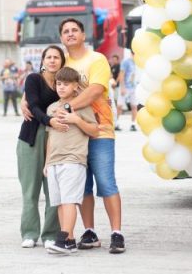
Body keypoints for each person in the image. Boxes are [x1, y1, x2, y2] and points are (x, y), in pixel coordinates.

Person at [25, 18, 125, 253]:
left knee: (106, 182)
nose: (70, 34)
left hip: (99, 129)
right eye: (65, 31)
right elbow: (43, 80)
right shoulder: (61, 61)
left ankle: (117, 233)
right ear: (61, 38)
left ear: (82, 34)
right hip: (71, 136)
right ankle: (89, 232)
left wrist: (69, 109)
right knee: (83, 187)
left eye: (74, 30)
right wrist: (24, 99)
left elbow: (95, 90)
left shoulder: (96, 59)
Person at [44, 66, 99, 255]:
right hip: (54, 161)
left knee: (69, 201)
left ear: (76, 86)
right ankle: (69, 240)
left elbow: (94, 130)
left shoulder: (82, 106)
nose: (61, 87)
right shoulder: (52, 108)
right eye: (59, 84)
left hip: (73, 159)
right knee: (59, 202)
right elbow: (50, 137)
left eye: (66, 84)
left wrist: (76, 120)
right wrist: (46, 163)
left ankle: (62, 239)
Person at [17, 45, 66, 248]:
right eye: (49, 57)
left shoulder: (66, 83)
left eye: (56, 57)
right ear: (43, 60)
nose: (52, 60)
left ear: (62, 61)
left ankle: (50, 234)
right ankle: (29, 233)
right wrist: (49, 120)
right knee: (30, 189)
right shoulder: (33, 79)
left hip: (56, 139)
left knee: (53, 189)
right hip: (31, 137)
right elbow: (34, 105)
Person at [119, 50, 138, 131]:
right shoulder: (126, 62)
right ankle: (117, 123)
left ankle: (133, 124)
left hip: (134, 88)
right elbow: (121, 75)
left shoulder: (137, 63)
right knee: (119, 106)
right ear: (132, 54)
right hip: (125, 87)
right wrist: (122, 87)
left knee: (134, 106)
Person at [109, 54, 121, 131]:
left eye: (115, 59)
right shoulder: (112, 67)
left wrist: (115, 82)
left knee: (115, 104)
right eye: (112, 59)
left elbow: (119, 76)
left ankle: (116, 123)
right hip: (111, 90)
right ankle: (114, 123)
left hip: (116, 88)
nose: (113, 60)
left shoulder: (119, 66)